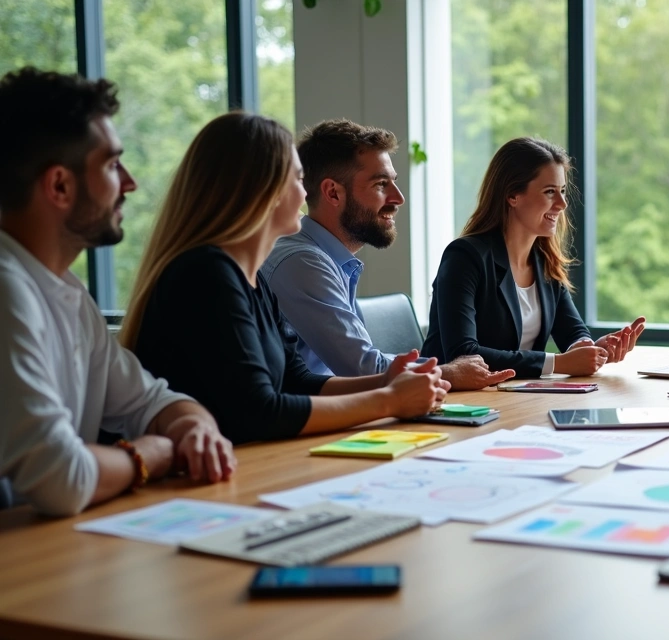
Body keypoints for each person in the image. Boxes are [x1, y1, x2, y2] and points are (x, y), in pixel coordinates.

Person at [120, 112, 449, 446]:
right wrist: (388, 400)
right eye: (296, 179)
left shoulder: (251, 278)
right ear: (258, 192)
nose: (306, 193)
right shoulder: (206, 274)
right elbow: (257, 412)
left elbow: (298, 380)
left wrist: (386, 381)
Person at [0, 68, 235, 516]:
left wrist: (194, 429)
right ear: (60, 186)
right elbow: (61, 479)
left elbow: (154, 400)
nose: (129, 182)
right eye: (111, 164)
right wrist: (151, 454)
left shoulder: (65, 291)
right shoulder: (7, 292)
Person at [261, 119, 514, 391]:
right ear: (333, 193)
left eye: (393, 182)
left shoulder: (330, 260)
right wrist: (447, 373)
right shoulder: (303, 262)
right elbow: (361, 369)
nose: (398, 198)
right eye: (381, 184)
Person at [421, 137, 645, 378]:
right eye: (550, 192)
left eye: (562, 191)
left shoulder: (544, 260)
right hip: (455, 402)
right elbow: (464, 355)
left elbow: (572, 332)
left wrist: (592, 349)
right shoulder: (464, 257)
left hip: (516, 398)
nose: (562, 203)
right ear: (512, 195)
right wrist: (558, 364)